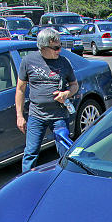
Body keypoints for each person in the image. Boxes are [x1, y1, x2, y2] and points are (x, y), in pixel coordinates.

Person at [16, 27, 79, 172]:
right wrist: (19, 116)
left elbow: (75, 85)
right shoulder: (28, 61)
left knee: (65, 150)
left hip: (59, 115)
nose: (59, 50)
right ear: (43, 47)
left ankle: (68, 178)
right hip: (36, 115)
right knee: (30, 153)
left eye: (60, 46)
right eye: (56, 48)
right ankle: (27, 183)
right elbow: (20, 89)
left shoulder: (64, 62)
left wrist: (66, 94)